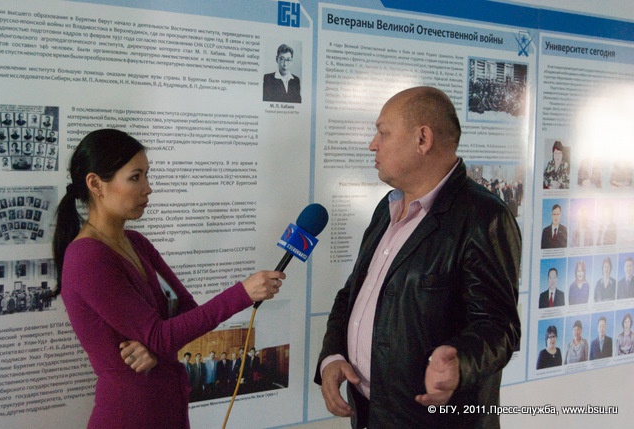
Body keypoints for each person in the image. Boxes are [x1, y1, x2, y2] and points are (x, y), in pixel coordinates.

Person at [314, 87, 521, 429]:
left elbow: (499, 327)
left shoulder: (483, 217)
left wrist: (460, 362)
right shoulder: (387, 208)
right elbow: (352, 295)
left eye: (383, 132)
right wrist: (332, 356)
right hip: (371, 415)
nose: (372, 144)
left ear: (422, 139)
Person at [52, 129, 285, 429]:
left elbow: (186, 312)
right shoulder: (87, 257)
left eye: (146, 175)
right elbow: (161, 335)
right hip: (130, 415)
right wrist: (242, 293)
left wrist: (154, 348)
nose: (147, 188)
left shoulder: (137, 243)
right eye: (135, 177)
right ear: (96, 184)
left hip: (169, 408)